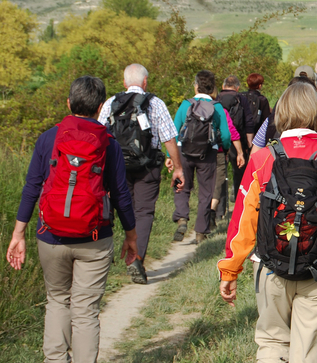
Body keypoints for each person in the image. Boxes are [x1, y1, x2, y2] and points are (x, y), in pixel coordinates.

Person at [218, 82, 317, 363]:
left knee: (271, 344)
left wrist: (230, 270)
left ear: (281, 114)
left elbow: (243, 220)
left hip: (269, 268)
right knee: (310, 353)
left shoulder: (262, 159)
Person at [6, 76, 138, 363]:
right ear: (100, 106)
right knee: (86, 309)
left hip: (50, 236)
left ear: (68, 103)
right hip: (95, 238)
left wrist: (18, 233)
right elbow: (120, 195)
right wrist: (131, 235)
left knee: (57, 301)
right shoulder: (109, 143)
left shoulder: (48, 138)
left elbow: (32, 187)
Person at [98, 63, 185, 284]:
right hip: (148, 167)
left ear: (124, 82)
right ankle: (136, 257)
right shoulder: (155, 104)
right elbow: (169, 139)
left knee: (117, 210)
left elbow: (99, 136)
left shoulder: (110, 103)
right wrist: (178, 168)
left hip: (117, 168)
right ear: (145, 82)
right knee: (144, 212)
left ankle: (102, 262)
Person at [172, 70, 231, 244]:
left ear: (196, 86)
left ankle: (182, 217)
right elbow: (226, 135)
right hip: (208, 153)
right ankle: (200, 231)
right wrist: (224, 149)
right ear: (212, 87)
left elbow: (174, 132)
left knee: (181, 185)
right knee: (206, 192)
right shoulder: (217, 107)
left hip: (185, 152)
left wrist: (171, 155)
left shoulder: (185, 105)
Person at [218, 75, 256, 207]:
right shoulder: (241, 99)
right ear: (238, 87)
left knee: (219, 174)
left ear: (223, 86)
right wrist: (249, 144)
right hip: (237, 140)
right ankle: (239, 201)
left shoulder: (217, 98)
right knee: (238, 171)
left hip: (218, 140)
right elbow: (248, 121)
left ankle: (219, 209)